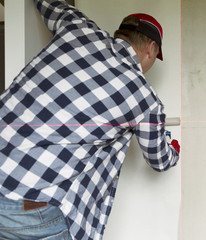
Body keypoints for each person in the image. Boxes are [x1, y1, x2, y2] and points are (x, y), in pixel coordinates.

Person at [0, 0, 180, 239]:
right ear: (151, 48)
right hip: (33, 210)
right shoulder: (144, 97)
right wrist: (174, 148)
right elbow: (160, 159)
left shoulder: (77, 27)